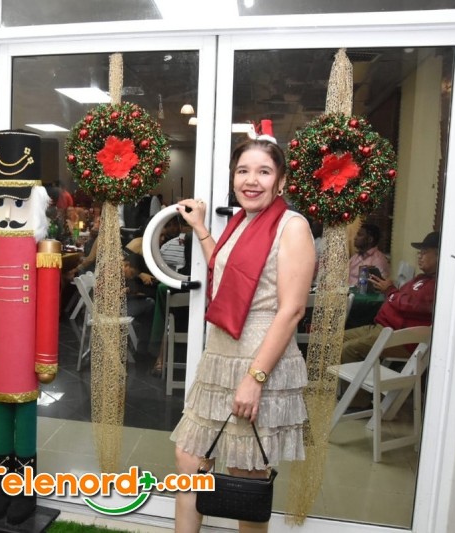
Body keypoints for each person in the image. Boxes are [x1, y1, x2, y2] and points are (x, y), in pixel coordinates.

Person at [171, 138, 315, 532]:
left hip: (258, 360)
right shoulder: (241, 221)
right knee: (189, 461)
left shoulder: (292, 226)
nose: (252, 180)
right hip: (221, 357)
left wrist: (255, 378)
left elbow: (292, 310)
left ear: (281, 181)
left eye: (264, 171)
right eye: (243, 171)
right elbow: (228, 271)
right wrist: (201, 228)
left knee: (245, 474)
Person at [0, 130, 61, 524]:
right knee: (0, 414)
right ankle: (1, 489)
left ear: (35, 206)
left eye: (19, 202)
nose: (8, 211)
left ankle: (24, 492)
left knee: (24, 414)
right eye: (1, 201)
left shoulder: (44, 253)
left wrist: (46, 358)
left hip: (26, 356)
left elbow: (48, 307)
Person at [341, 231, 439, 367]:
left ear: (439, 255)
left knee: (347, 349)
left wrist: (390, 290)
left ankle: (354, 382)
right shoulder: (420, 278)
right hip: (382, 327)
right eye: (419, 252)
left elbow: (410, 305)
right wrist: (390, 290)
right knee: (335, 340)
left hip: (400, 337)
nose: (420, 256)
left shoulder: (438, 286)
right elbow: (400, 298)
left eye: (425, 252)